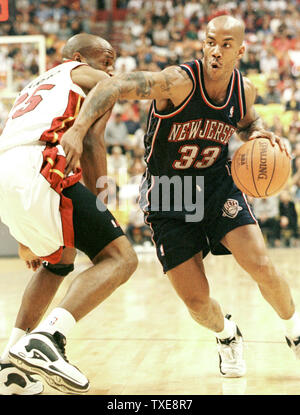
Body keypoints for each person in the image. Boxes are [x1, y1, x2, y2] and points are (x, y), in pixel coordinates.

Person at [59, 15, 300, 379]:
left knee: (260, 264)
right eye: (209, 41)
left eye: (225, 45)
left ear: (241, 50)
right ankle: (227, 334)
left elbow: (249, 122)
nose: (215, 51)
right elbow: (118, 85)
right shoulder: (178, 82)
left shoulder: (244, 90)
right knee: (196, 300)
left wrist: (259, 133)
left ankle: (296, 331)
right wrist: (78, 130)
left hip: (217, 185)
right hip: (170, 193)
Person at [0, 33, 138, 395]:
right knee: (121, 257)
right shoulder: (82, 75)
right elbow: (92, 141)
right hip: (41, 164)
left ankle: (9, 361)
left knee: (59, 259)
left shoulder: (35, 85)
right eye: (105, 59)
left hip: (9, 172)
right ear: (78, 58)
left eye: (113, 60)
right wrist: (99, 204)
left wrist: (23, 236)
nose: (111, 68)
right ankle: (48, 337)